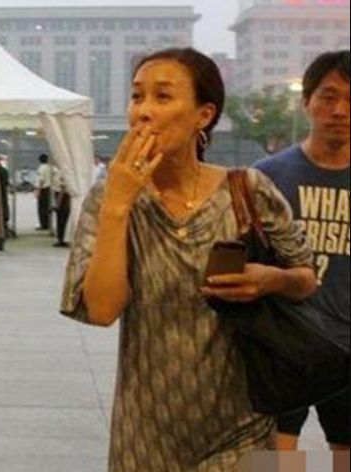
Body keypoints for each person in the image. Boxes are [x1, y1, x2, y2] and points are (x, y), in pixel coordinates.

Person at [60, 48, 317, 471]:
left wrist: (270, 279)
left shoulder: (247, 189)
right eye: (137, 96)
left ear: (204, 115)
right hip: (145, 434)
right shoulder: (110, 200)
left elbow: (306, 277)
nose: (143, 111)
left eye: (162, 97)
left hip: (245, 425)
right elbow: (102, 310)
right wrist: (117, 205)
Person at [255, 50, 350, 452]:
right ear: (306, 101)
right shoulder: (266, 178)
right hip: (282, 346)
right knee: (275, 456)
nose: (340, 110)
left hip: (348, 347)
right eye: (328, 97)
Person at [52, 167, 71, 248]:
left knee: (62, 219)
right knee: (61, 219)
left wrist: (58, 204)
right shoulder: (59, 170)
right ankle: (61, 238)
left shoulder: (63, 171)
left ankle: (62, 239)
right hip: (61, 196)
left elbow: (62, 189)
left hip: (63, 197)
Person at [35, 153, 52, 230]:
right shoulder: (49, 168)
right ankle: (47, 224)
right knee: (47, 207)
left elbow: (41, 180)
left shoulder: (41, 168)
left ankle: (43, 224)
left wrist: (38, 191)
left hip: (43, 189)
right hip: (49, 189)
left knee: (41, 208)